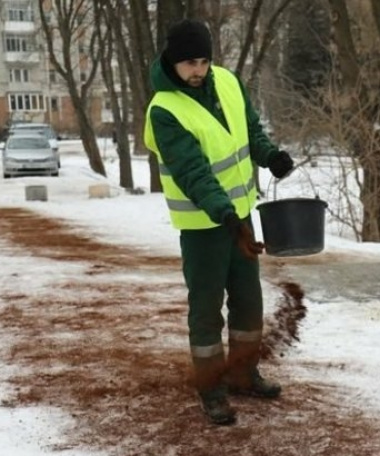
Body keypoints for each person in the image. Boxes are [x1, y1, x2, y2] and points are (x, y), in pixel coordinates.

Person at [143, 19, 295, 425]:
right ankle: (211, 388)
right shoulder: (164, 110)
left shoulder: (227, 81)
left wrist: (271, 156)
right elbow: (193, 171)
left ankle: (244, 374)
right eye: (190, 63)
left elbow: (249, 131)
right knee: (207, 308)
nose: (198, 70)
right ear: (173, 62)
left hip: (239, 215)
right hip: (203, 226)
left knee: (248, 300)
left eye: (204, 61)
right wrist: (223, 211)